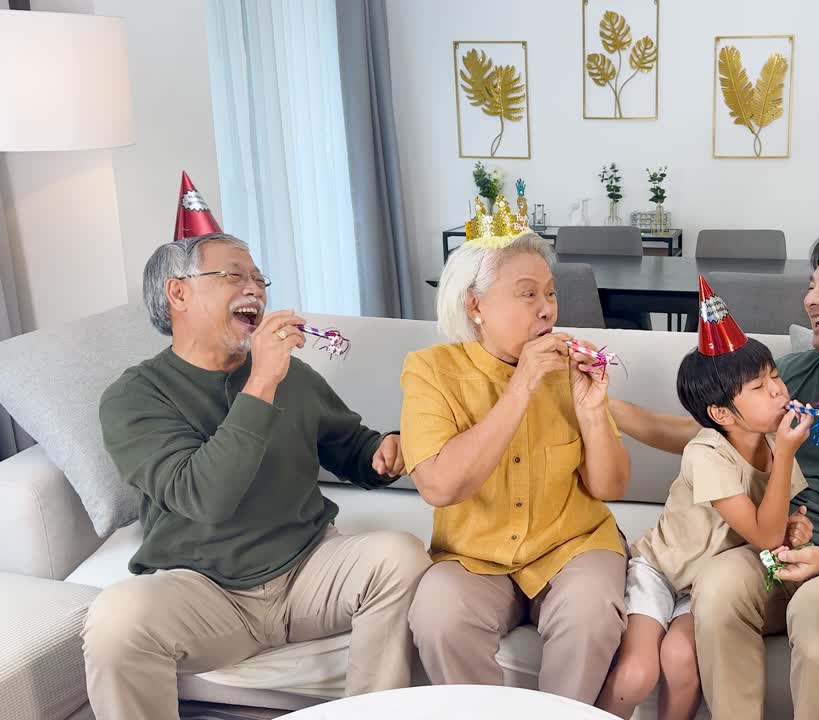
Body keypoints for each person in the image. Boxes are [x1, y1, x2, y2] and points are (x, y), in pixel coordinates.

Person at [609, 192, 819, 719]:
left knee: (816, 607)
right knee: (717, 583)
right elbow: (713, 430)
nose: (811, 297)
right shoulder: (793, 373)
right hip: (781, 547)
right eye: (811, 284)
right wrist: (609, 411)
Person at [84, 230, 428, 720]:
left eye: (259, 279)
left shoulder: (296, 376)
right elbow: (204, 497)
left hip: (307, 570)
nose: (256, 290)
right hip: (204, 591)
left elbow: (351, 447)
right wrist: (262, 379)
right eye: (233, 276)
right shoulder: (135, 397)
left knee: (399, 555)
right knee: (116, 621)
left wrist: (383, 451)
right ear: (178, 293)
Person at [402, 197, 630, 704]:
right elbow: (439, 486)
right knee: (438, 614)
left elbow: (611, 488)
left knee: (591, 612)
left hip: (573, 546)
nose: (547, 308)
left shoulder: (571, 364)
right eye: (527, 295)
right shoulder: (430, 371)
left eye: (549, 293)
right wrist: (521, 387)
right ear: (475, 305)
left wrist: (593, 410)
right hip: (472, 556)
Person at [596, 278, 816, 720]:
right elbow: (764, 530)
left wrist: (798, 527)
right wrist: (788, 460)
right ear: (720, 414)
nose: (777, 390)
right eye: (759, 387)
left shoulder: (775, 443)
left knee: (681, 661)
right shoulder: (707, 451)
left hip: (703, 587)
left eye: (775, 377)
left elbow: (778, 527)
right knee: (639, 671)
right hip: (661, 571)